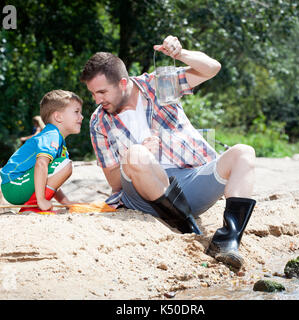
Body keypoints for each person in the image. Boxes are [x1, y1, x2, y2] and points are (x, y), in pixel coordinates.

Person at [80, 35, 256, 269]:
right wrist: (140, 153)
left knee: (244, 152)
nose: (97, 100)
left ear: (123, 83)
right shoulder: (98, 121)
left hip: (190, 184)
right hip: (143, 196)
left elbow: (212, 68)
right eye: (93, 93)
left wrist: (180, 54)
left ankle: (226, 242)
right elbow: (115, 183)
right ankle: (188, 229)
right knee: (136, 155)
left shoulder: (158, 84)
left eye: (102, 92)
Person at [0, 90, 84, 213]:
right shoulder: (51, 134)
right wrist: (41, 200)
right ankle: (34, 205)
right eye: (76, 112)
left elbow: (49, 177)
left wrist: (66, 203)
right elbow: (41, 165)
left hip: (16, 186)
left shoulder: (58, 141)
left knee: (61, 165)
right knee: (65, 165)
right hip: (14, 184)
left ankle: (35, 204)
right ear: (58, 117)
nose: (81, 117)